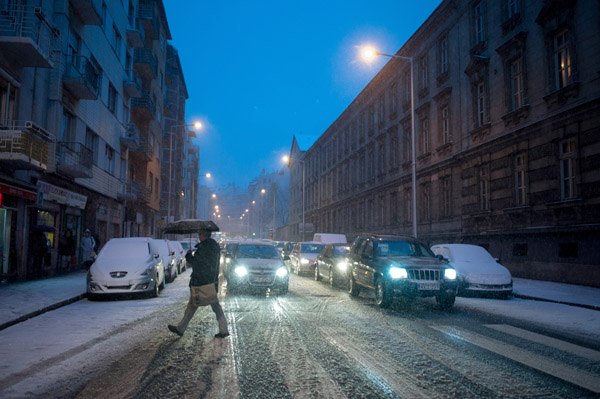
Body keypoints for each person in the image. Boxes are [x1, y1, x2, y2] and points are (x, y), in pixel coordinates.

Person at [168, 229, 229, 338]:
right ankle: (223, 329)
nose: (199, 236)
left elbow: (197, 263)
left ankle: (181, 328)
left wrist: (189, 256)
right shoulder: (213, 247)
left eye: (199, 234)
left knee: (194, 304)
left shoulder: (203, 248)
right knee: (212, 305)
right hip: (210, 280)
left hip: (201, 281)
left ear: (203, 234)